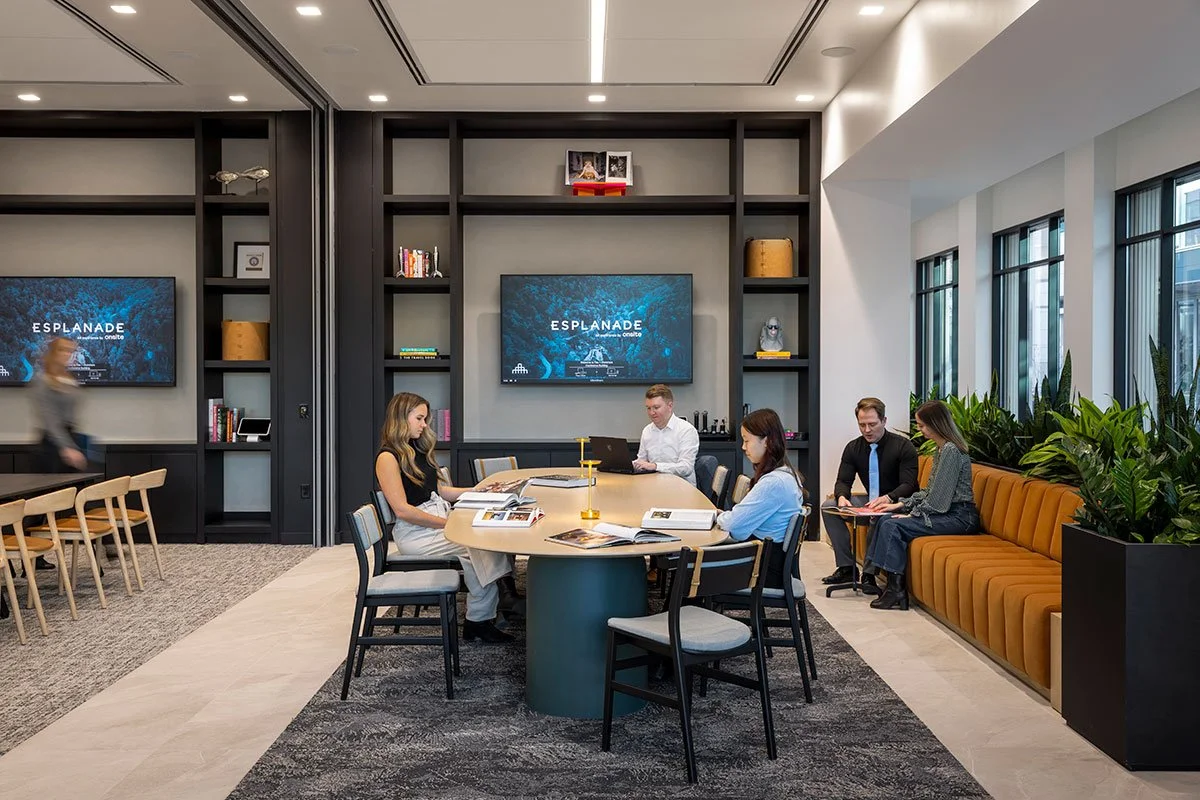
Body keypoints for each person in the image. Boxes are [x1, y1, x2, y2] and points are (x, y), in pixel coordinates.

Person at [375, 392, 514, 644]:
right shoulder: (387, 458)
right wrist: (449, 524)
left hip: (433, 524)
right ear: (400, 417)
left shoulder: (416, 449)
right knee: (480, 544)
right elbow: (403, 510)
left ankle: (493, 605)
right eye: (419, 418)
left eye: (424, 418)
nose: (424, 424)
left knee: (482, 544)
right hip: (416, 534)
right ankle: (482, 617)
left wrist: (477, 490)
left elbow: (439, 491)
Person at [862, 400, 979, 611]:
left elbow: (939, 501)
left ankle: (895, 589)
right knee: (885, 519)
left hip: (960, 517)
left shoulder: (951, 451)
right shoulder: (942, 450)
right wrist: (900, 505)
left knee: (893, 525)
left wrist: (912, 515)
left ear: (935, 424)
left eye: (922, 425)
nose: (920, 429)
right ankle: (889, 584)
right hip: (948, 513)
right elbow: (929, 492)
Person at [820, 397, 919, 595]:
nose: (867, 430)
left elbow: (909, 485)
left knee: (878, 514)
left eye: (872, 424)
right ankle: (847, 568)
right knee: (828, 506)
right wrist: (841, 497)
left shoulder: (903, 446)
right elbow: (843, 481)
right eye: (862, 425)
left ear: (884, 421)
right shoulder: (853, 448)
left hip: (898, 504)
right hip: (871, 500)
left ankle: (869, 574)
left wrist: (888, 498)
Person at [715, 409, 806, 590]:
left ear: (767, 441)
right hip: (767, 563)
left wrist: (720, 517)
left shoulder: (774, 483)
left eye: (747, 440)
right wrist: (728, 516)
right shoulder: (785, 474)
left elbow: (736, 528)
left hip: (762, 571)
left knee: (689, 569)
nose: (743, 447)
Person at [633, 384, 699, 486]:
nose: (651, 412)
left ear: (670, 406)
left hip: (681, 489)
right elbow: (642, 460)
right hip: (653, 486)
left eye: (656, 407)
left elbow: (686, 468)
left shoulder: (686, 430)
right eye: (648, 408)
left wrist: (655, 466)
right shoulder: (647, 430)